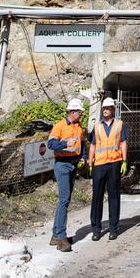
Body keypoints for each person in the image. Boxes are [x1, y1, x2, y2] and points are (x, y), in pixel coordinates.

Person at [47, 98, 87, 252]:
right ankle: (61, 237)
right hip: (62, 164)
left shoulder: (79, 127)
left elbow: (81, 142)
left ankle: (56, 235)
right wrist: (64, 144)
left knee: (65, 200)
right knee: (64, 200)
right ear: (72, 112)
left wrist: (82, 156)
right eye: (79, 112)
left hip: (73, 164)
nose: (81, 114)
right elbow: (51, 144)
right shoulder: (59, 126)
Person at [89, 97, 128, 241]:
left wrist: (124, 160)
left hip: (114, 163)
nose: (105, 110)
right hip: (99, 164)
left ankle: (113, 228)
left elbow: (123, 142)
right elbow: (93, 144)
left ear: (112, 110)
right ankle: (96, 229)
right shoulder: (97, 126)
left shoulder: (119, 125)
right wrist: (90, 162)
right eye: (104, 108)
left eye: (108, 108)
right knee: (97, 197)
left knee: (114, 196)